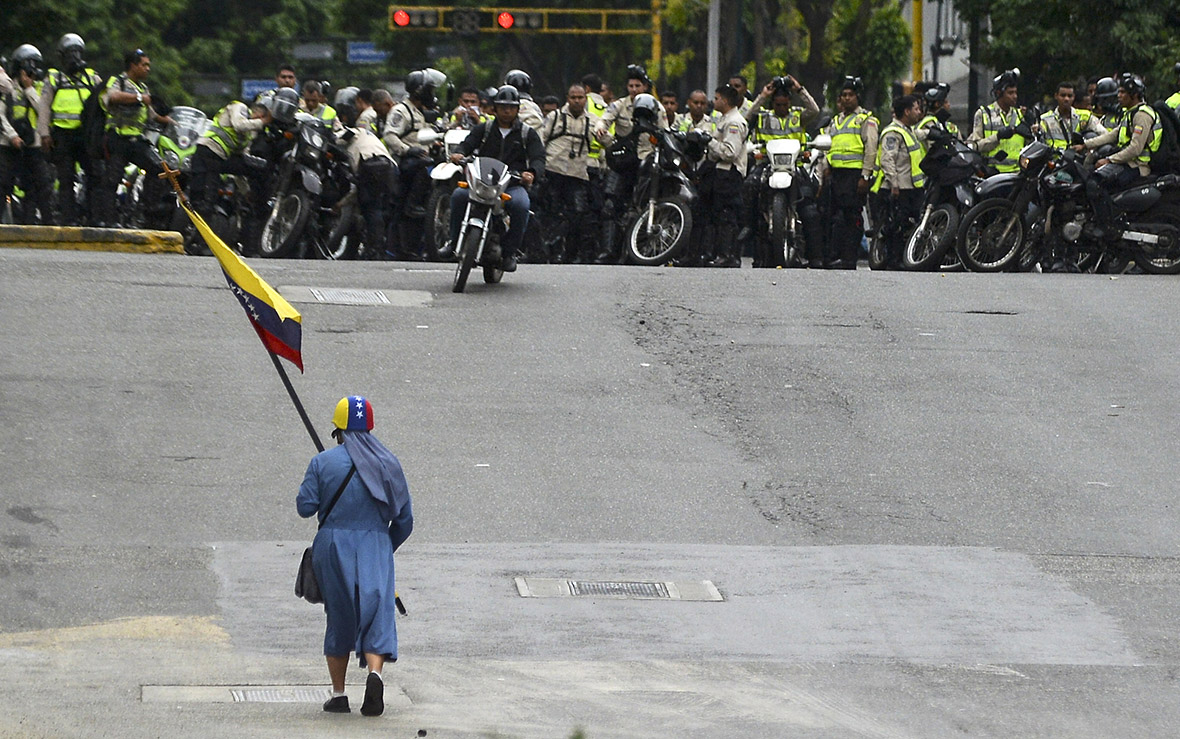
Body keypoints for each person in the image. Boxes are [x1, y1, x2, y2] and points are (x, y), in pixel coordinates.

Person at [297, 396, 413, 717]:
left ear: (337, 429)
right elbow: (405, 520)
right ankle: (374, 675)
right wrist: (383, 547)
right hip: (376, 545)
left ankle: (338, 695)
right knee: (377, 612)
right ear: (370, 426)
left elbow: (305, 507)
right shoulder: (389, 463)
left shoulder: (323, 463)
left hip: (334, 547)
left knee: (340, 613)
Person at [447, 85, 546, 273]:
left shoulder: (527, 133)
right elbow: (466, 145)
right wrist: (459, 154)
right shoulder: (483, 129)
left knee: (521, 205)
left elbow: (538, 157)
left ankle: (509, 253)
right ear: (495, 108)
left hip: (511, 185)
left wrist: (531, 173)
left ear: (517, 109)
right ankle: (453, 241)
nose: (507, 111)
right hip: (480, 183)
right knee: (459, 195)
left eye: (511, 107)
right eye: (502, 106)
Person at [592, 64, 668, 264]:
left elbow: (666, 133)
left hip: (648, 163)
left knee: (645, 206)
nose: (634, 90)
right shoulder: (619, 105)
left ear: (645, 87)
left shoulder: (657, 107)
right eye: (631, 86)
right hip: (622, 161)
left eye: (638, 86)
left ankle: (640, 250)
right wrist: (608, 139)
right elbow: (602, 122)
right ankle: (609, 251)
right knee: (610, 206)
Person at [95, 49, 174, 227]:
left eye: (148, 65)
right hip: (117, 139)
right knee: (112, 180)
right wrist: (139, 98)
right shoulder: (118, 82)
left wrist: (168, 120)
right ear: (133, 66)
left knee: (159, 170)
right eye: (144, 65)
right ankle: (109, 221)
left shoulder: (143, 88)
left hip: (136, 141)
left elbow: (150, 114)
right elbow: (113, 97)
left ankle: (147, 214)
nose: (148, 69)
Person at [36, 33, 103, 225]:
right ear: (62, 56)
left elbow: (103, 104)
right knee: (65, 180)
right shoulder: (54, 78)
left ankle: (94, 217)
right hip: (62, 136)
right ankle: (69, 219)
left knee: (94, 177)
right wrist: (45, 134)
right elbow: (44, 108)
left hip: (87, 136)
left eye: (77, 52)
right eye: (69, 53)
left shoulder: (92, 78)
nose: (74, 57)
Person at [680, 85, 747, 268]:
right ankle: (695, 255)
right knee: (701, 211)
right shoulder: (724, 119)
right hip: (715, 171)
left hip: (728, 173)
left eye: (716, 98)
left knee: (726, 214)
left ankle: (727, 256)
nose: (713, 102)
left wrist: (709, 141)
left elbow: (730, 153)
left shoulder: (734, 122)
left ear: (725, 101)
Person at [822, 75, 878, 269]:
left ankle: (849, 259)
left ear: (857, 97)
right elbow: (830, 146)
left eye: (850, 95)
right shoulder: (836, 121)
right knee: (836, 217)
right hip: (836, 175)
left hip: (854, 176)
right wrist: (826, 167)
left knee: (851, 217)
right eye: (844, 95)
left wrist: (865, 176)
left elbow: (871, 149)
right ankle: (835, 256)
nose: (846, 98)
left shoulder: (865, 120)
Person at [333, 87, 397, 256]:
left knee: (371, 209)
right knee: (378, 208)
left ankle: (374, 249)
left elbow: (339, 138)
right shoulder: (370, 136)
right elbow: (357, 190)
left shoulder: (356, 131)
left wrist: (330, 137)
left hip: (372, 165)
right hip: (389, 168)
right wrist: (341, 204)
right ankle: (378, 247)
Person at [1075, 73, 1161, 192]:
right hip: (1127, 162)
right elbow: (1112, 135)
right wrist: (1085, 145)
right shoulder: (1130, 113)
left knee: (1097, 184)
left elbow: (1135, 148)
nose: (1119, 96)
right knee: (1090, 174)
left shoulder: (1142, 116)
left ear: (1135, 95)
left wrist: (1109, 160)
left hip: (1138, 167)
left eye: (1123, 92)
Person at [540, 84, 597, 263]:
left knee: (577, 215)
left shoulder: (592, 120)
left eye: (580, 97)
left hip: (577, 174)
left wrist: (603, 135)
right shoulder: (555, 117)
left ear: (585, 98)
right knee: (550, 212)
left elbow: (606, 142)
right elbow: (541, 138)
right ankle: (546, 252)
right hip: (553, 170)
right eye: (573, 97)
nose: (577, 101)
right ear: (567, 98)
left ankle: (570, 254)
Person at [0, 44, 54, 225]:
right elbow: (1, 115)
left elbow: (44, 110)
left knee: (42, 186)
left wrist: (29, 89)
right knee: (4, 184)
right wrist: (12, 136)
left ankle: (44, 224)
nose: (31, 70)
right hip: (10, 145)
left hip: (34, 147)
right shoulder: (7, 88)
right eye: (27, 65)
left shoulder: (40, 88)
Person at [872, 94, 926, 269]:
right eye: (916, 109)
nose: (919, 112)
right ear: (907, 111)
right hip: (898, 188)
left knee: (907, 224)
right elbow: (887, 159)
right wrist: (894, 184)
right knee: (896, 224)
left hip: (912, 187)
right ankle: (892, 260)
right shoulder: (893, 132)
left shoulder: (909, 130)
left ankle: (903, 257)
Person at [968, 68, 1028, 174]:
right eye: (1010, 93)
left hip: (1017, 175)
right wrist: (998, 137)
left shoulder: (1020, 115)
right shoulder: (983, 114)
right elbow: (976, 146)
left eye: (1015, 92)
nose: (1015, 96)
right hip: (993, 174)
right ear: (999, 93)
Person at [1037, 81, 1105, 151]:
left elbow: (1104, 134)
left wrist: (1086, 145)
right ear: (1056, 96)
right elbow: (1037, 137)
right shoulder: (1045, 119)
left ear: (1074, 97)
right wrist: (1036, 130)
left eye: (1070, 96)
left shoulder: (1085, 116)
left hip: (1078, 159)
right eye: (1063, 95)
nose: (1066, 99)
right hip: (1053, 159)